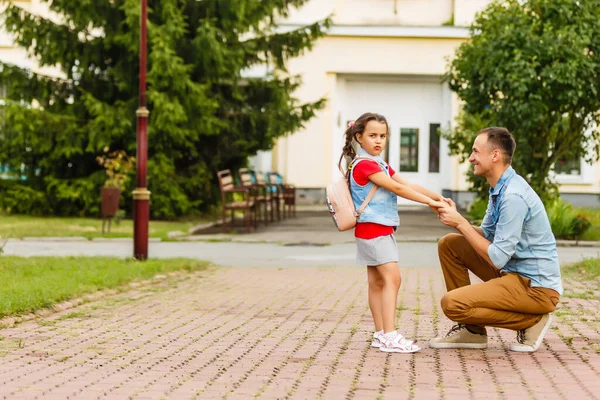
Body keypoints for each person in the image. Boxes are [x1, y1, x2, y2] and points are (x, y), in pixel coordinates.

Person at [431, 127, 562, 352]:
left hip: (536, 288)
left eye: (475, 152)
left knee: (452, 304)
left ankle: (532, 321)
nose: (471, 158)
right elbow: (486, 235)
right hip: (513, 275)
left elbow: (497, 257)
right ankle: (472, 332)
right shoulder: (499, 189)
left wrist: (461, 223)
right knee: (450, 244)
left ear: (495, 156)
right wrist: (456, 218)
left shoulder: (513, 196)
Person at [338, 112, 446, 353]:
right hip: (374, 230)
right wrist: (430, 204)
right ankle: (389, 334)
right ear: (359, 137)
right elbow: (397, 188)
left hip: (373, 230)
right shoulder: (365, 164)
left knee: (377, 283)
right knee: (392, 279)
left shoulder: (379, 164)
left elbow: (406, 183)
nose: (379, 141)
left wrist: (436, 196)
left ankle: (380, 334)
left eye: (383, 136)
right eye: (373, 135)